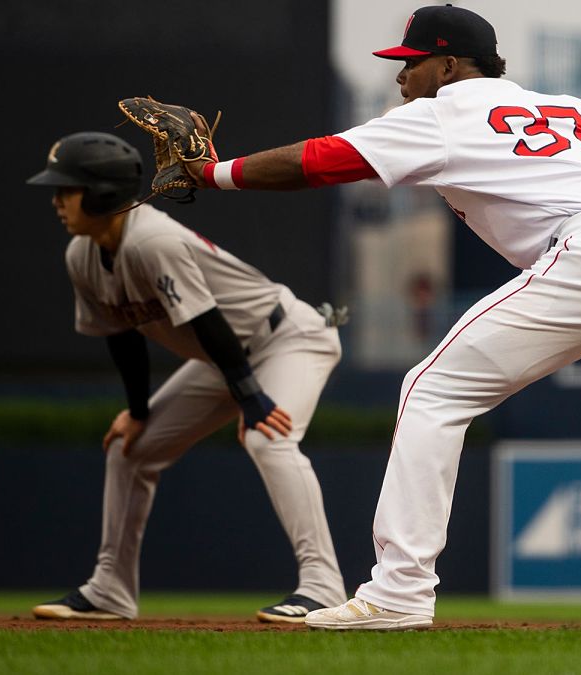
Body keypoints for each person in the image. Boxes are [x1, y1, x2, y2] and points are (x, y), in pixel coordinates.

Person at [180, 3, 581, 631]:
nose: (401, 77)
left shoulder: (442, 112)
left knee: (431, 389)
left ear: (449, 65)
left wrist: (215, 173)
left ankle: (400, 591)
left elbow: (321, 161)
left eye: (411, 63)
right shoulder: (566, 109)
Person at [25, 131, 346, 623]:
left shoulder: (153, 240)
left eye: (66, 189)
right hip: (226, 357)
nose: (55, 201)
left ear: (102, 194)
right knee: (128, 448)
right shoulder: (82, 255)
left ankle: (323, 588)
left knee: (269, 441)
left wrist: (253, 400)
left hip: (288, 336)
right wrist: (137, 413)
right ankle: (110, 589)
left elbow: (208, 323)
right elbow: (122, 334)